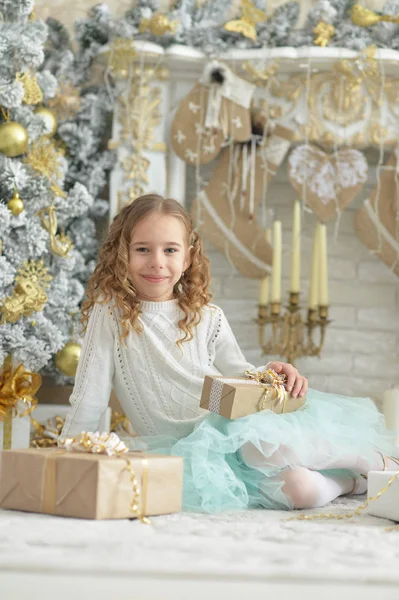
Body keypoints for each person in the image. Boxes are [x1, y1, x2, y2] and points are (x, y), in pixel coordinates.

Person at [61, 194, 399, 512]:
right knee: (301, 491)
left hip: (232, 428)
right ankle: (350, 482)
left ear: (188, 256)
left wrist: (271, 372)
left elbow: (240, 376)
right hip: (190, 454)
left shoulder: (207, 316)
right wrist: (64, 457)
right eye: (143, 249)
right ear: (123, 252)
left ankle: (373, 460)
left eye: (169, 250)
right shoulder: (110, 315)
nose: (157, 262)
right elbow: (89, 397)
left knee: (258, 447)